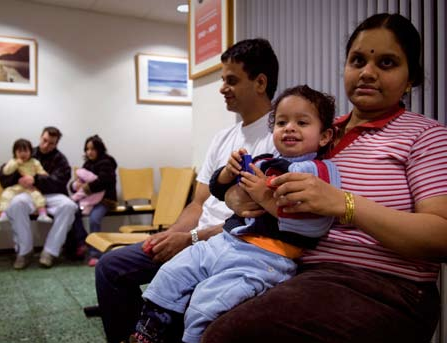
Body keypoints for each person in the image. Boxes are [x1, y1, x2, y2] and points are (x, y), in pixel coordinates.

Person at [201, 13, 447, 343]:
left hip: (380, 284)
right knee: (188, 304)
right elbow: (261, 180)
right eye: (357, 60)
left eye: (387, 63)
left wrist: (343, 204)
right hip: (286, 263)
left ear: (409, 79)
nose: (367, 73)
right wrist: (238, 196)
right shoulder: (317, 132)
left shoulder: (426, 136)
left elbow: (441, 235)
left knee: (228, 334)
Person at [94, 38, 280, 343]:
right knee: (110, 267)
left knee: (188, 308)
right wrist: (171, 235)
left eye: (231, 80)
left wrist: (189, 239)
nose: (222, 88)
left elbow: (252, 220)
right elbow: (197, 203)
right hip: (192, 240)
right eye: (222, 80)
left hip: (232, 248)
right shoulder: (223, 138)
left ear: (260, 83)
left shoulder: (279, 140)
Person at [130, 85, 341, 343]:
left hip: (266, 257)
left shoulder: (319, 171)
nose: (289, 128)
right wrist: (226, 174)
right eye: (282, 122)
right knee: (171, 273)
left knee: (205, 302)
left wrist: (264, 198)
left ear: (324, 136)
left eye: (302, 122)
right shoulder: (264, 161)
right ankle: (148, 332)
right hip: (225, 241)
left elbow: (315, 224)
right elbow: (219, 190)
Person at [0, 126, 78, 270]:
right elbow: (3, 174)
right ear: (41, 137)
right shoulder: (27, 151)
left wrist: (35, 179)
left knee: (70, 206)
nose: (46, 145)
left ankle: (50, 252)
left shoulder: (61, 160)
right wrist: (19, 179)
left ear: (56, 143)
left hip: (52, 195)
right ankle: (24, 251)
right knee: (16, 203)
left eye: (51, 143)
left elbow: (59, 182)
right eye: (45, 140)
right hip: (28, 193)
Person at [69, 134, 118, 267]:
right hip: (88, 201)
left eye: (92, 149)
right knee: (71, 210)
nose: (89, 152)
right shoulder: (87, 164)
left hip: (105, 201)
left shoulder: (107, 163)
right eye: (87, 149)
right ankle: (83, 242)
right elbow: (79, 183)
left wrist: (85, 187)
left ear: (99, 149)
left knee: (94, 219)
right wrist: (75, 185)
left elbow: (103, 182)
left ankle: (95, 253)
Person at [0, 138, 52, 224]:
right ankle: (3, 215)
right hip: (16, 187)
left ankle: (42, 214)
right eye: (19, 151)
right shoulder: (13, 161)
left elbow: (41, 172)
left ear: (31, 152)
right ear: (15, 153)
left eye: (26, 151)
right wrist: (15, 163)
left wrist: (44, 175)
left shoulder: (34, 162)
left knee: (38, 196)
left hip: (31, 187)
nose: (23, 153)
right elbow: (6, 171)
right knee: (6, 194)